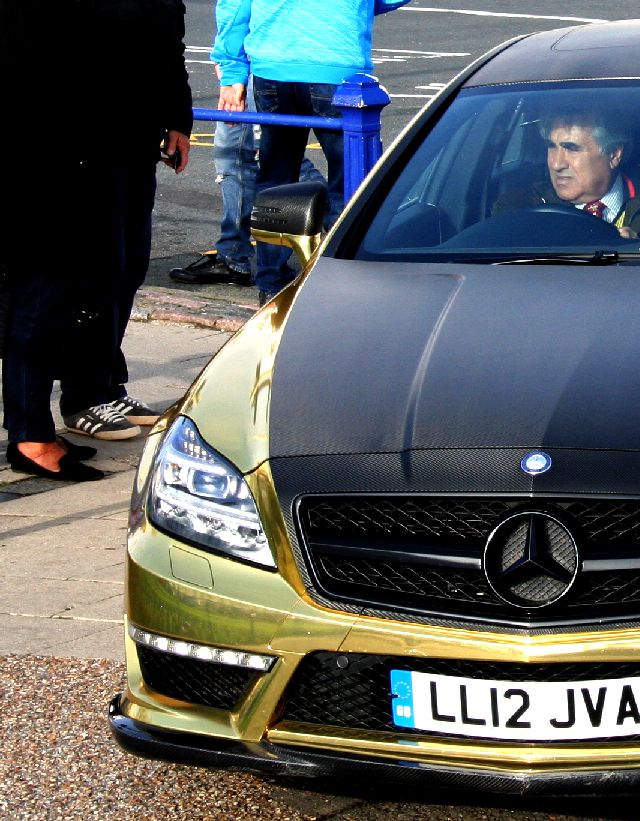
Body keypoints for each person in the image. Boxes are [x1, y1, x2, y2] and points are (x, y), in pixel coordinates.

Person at [0, 0, 191, 475]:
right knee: (44, 285)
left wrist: (176, 118)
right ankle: (28, 435)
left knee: (119, 271)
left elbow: (167, 45)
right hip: (51, 153)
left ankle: (93, 392)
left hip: (122, 148)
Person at [212, 0, 412, 303]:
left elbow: (235, 5)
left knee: (276, 180)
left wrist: (232, 72)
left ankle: (271, 283)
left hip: (273, 68)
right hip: (336, 64)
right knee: (350, 184)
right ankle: (340, 275)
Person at [170, 74, 326, 287]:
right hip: (271, 67)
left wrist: (232, 76)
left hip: (253, 69)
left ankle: (236, 258)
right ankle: (343, 234)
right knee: (278, 160)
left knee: (243, 158)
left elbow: (234, 39)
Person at [493, 110, 640, 240]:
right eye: (552, 146)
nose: (556, 163)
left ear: (614, 154)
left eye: (572, 148)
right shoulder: (519, 208)